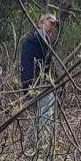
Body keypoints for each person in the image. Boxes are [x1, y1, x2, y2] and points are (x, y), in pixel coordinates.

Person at [19, 13, 58, 152]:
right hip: (37, 82)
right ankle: (43, 146)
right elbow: (30, 63)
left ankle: (30, 143)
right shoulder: (35, 39)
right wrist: (30, 84)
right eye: (50, 22)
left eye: (54, 24)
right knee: (46, 113)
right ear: (41, 23)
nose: (52, 26)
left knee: (39, 114)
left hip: (38, 82)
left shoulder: (42, 39)